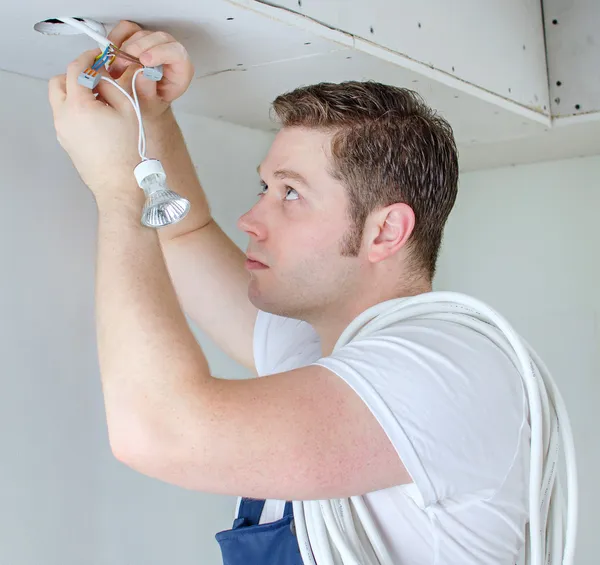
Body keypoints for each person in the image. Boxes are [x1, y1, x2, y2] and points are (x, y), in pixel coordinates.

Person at [48, 20, 529, 565]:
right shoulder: (317, 349)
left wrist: (116, 193)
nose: (251, 218)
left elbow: (157, 431)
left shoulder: (442, 372)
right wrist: (149, 115)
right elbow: (183, 233)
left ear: (385, 231)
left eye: (291, 193)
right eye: (265, 187)